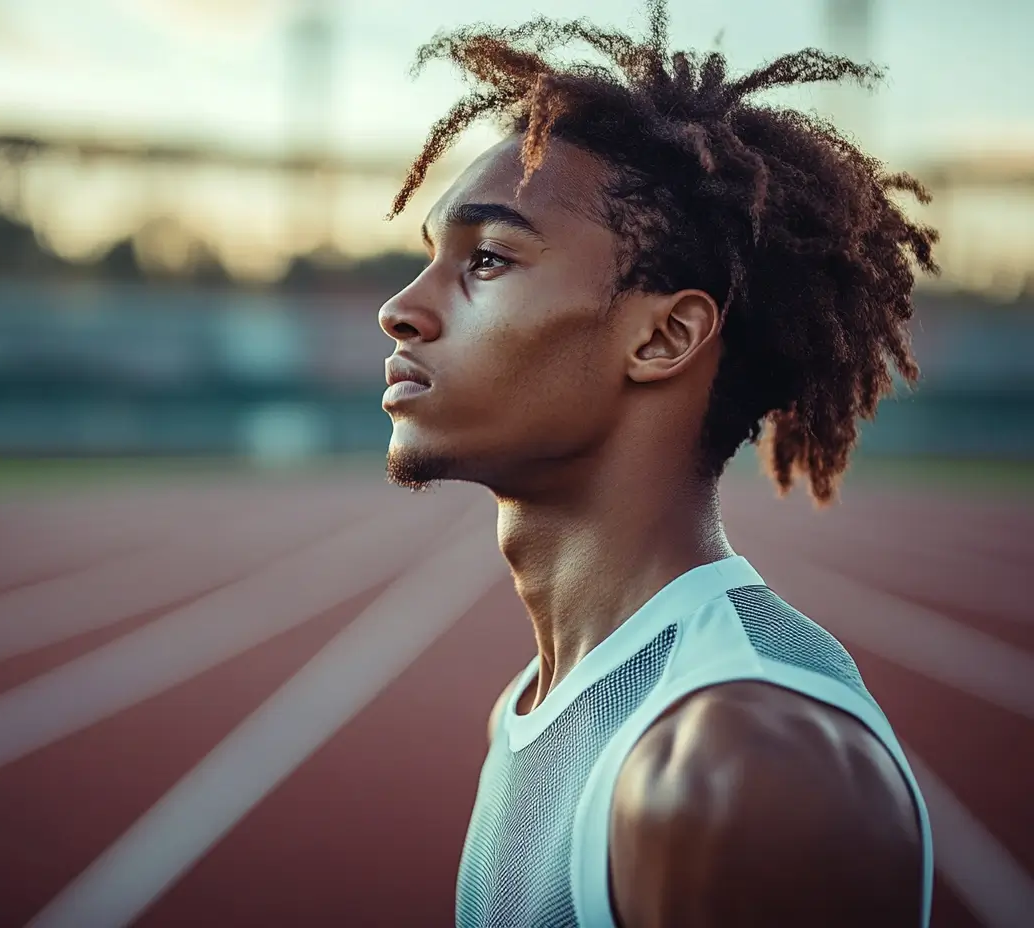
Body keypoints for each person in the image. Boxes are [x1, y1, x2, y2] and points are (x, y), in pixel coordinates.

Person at [376, 3, 938, 927]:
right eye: (430, 257)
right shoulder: (537, 705)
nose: (401, 309)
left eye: (486, 258)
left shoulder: (744, 770)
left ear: (666, 335)